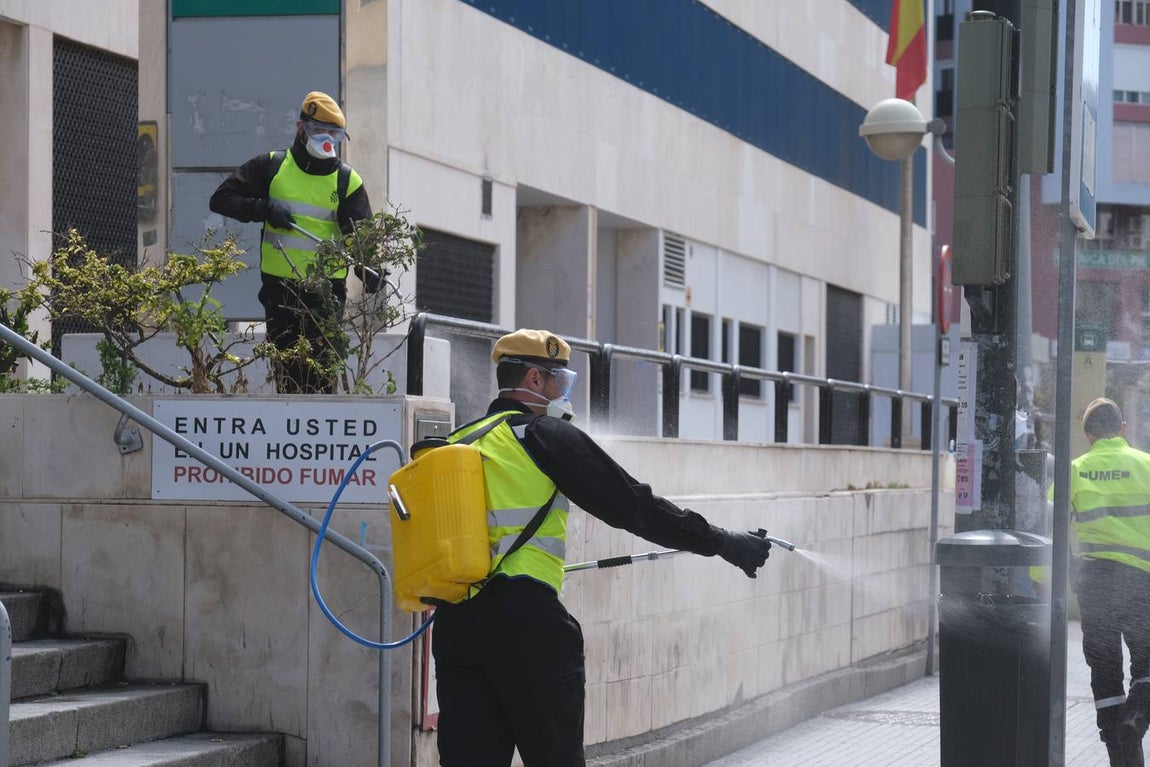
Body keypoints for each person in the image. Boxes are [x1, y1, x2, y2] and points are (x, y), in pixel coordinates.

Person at [431, 328, 773, 767]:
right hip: (527, 627)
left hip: (456, 626)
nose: (564, 392)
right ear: (535, 379)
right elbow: (635, 507)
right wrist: (722, 541)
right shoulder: (541, 435)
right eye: (561, 380)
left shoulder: (459, 441)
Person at [209, 90, 373, 394]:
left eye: (334, 134)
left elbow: (363, 240)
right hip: (279, 292)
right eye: (318, 131)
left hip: (325, 296)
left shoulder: (347, 181)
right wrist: (264, 209)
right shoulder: (271, 167)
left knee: (321, 381)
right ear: (301, 128)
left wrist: (370, 270)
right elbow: (221, 199)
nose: (326, 140)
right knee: (288, 378)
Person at [1069, 398, 1150, 767]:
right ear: (1123, 429)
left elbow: (1047, 527)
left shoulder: (1075, 471)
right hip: (1141, 580)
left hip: (1094, 581)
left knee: (1105, 673)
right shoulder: (1147, 466)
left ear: (1088, 434)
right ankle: (1136, 719)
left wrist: (1041, 579)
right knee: (1147, 664)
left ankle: (1123, 759)